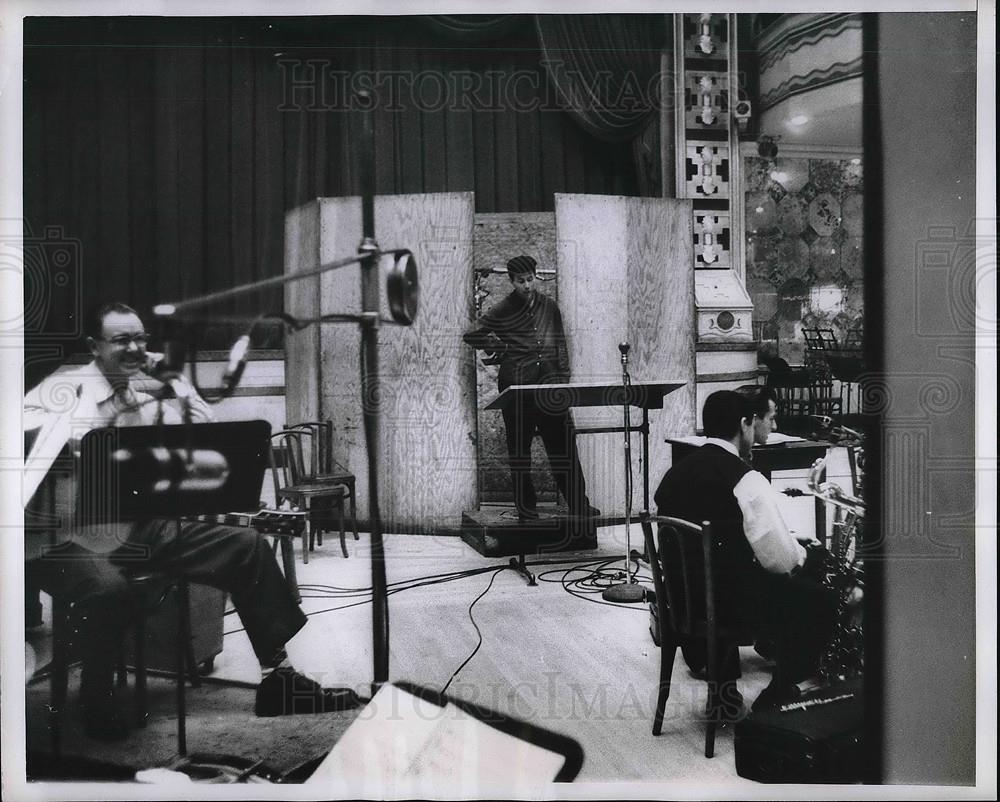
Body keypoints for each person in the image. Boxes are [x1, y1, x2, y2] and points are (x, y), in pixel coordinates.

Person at [24, 302, 362, 741]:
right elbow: (24, 455)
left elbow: (206, 430)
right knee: (108, 590)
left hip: (136, 527)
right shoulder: (59, 391)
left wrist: (174, 380)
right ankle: (96, 700)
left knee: (246, 547)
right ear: (93, 346)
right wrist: (91, 430)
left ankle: (278, 679)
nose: (134, 348)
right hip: (67, 536)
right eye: (121, 339)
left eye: (141, 338)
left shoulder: (141, 394)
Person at [653, 390, 837, 713]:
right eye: (754, 424)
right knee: (820, 597)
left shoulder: (673, 475)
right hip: (729, 609)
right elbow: (782, 560)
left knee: (729, 571)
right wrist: (808, 556)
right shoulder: (746, 480)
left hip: (682, 603)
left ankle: (723, 694)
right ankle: (781, 693)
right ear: (744, 424)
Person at [463, 255, 598, 521]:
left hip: (550, 386)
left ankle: (579, 505)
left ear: (535, 276)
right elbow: (472, 334)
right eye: (521, 281)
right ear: (511, 281)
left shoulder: (549, 306)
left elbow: (560, 344)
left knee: (564, 446)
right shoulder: (503, 308)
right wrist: (500, 348)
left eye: (530, 279)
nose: (527, 285)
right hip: (517, 387)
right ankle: (526, 508)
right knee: (519, 449)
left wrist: (564, 379)